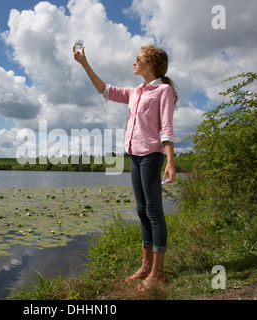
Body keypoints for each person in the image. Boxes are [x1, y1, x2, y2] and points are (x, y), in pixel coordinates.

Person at [73, 44, 180, 290]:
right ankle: (145, 265)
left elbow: (166, 128)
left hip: (152, 156)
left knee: (154, 212)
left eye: (138, 59)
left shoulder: (162, 91)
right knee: (142, 211)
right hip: (134, 156)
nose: (134, 62)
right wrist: (84, 63)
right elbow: (104, 89)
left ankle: (158, 271)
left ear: (151, 64)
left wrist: (171, 161)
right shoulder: (134, 92)